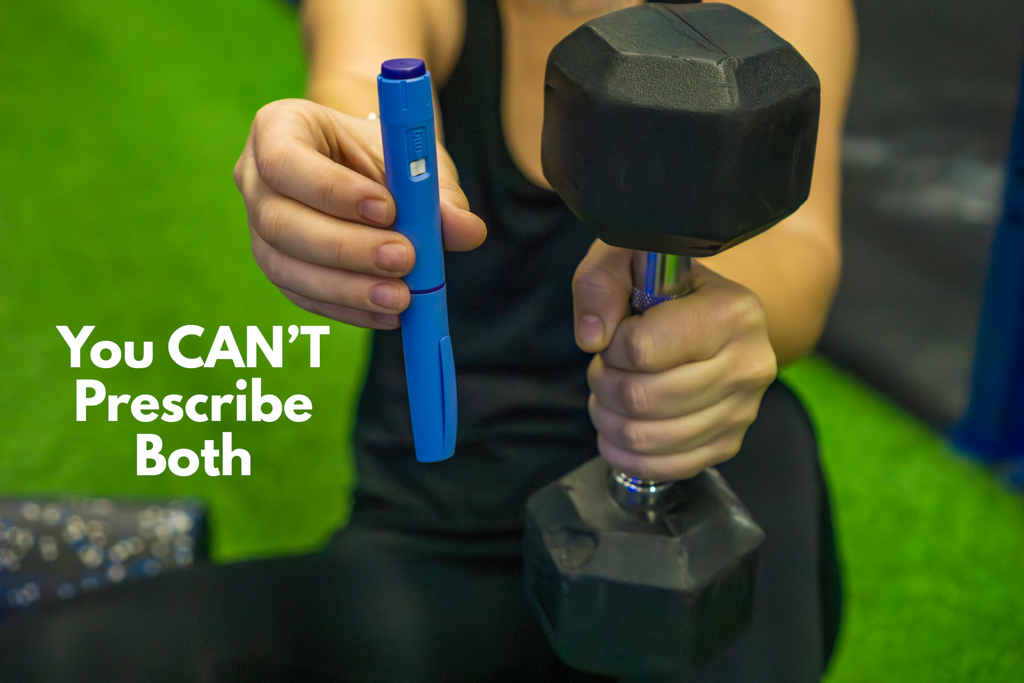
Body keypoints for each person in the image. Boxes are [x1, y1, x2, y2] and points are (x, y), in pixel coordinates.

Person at [230, 0, 856, 680]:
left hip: (678, 514)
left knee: (767, 443)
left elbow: (799, 245)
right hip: (437, 540)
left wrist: (712, 308)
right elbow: (356, 80)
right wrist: (331, 161)